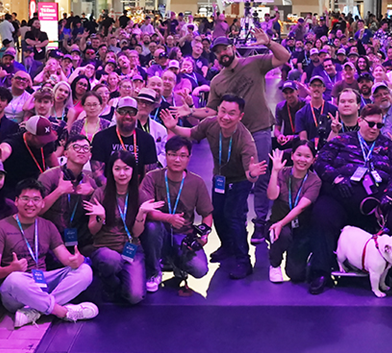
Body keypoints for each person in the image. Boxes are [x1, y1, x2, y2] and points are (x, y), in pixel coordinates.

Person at [180, 30, 289, 245]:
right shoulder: (217, 81)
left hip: (259, 129)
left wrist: (268, 42)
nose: (223, 54)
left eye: (225, 49)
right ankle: (234, 233)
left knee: (259, 177)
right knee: (237, 181)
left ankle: (260, 223)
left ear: (233, 48)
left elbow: (284, 57)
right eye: (218, 52)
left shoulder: (254, 63)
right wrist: (191, 111)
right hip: (232, 136)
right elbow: (212, 111)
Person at [307, 104, 392, 297]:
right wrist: (337, 178)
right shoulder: (341, 140)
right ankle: (321, 271)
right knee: (322, 214)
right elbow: (321, 161)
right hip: (343, 197)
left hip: (379, 201)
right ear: (360, 121)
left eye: (379, 125)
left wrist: (390, 195)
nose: (374, 128)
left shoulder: (387, 145)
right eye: (371, 124)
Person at [161, 95, 265, 279]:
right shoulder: (211, 124)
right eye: (222, 111)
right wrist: (173, 127)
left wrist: (253, 173)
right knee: (217, 213)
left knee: (234, 217)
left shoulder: (245, 140)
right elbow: (191, 133)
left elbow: (251, 175)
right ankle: (227, 246)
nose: (225, 117)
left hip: (240, 180)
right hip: (220, 178)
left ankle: (244, 260)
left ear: (240, 116)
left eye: (231, 113)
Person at [0, 179, 97, 328]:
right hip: (18, 289)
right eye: (25, 199)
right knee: (14, 279)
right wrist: (11, 269)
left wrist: (77, 259)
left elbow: (66, 259)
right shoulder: (0, 228)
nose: (30, 204)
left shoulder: (47, 226)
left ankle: (35, 310)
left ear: (43, 203)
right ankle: (63, 312)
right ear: (16, 201)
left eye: (36, 199)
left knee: (85, 271)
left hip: (43, 282)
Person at [85, 151, 160, 304]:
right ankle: (109, 280)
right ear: (111, 171)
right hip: (105, 248)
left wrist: (141, 213)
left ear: (133, 171)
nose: (122, 173)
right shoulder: (100, 194)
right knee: (111, 260)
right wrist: (100, 217)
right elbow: (92, 230)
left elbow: (136, 233)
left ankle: (121, 278)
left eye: (126, 169)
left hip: (131, 248)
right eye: (117, 169)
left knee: (135, 297)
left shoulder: (140, 195)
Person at [140, 136, 214, 291]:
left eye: (182, 155)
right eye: (172, 154)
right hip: (159, 234)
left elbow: (207, 214)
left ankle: (176, 262)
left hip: (183, 235)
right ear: (166, 155)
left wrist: (204, 236)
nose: (177, 160)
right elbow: (146, 211)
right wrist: (169, 218)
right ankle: (154, 271)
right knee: (152, 226)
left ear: (189, 158)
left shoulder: (196, 182)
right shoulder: (152, 178)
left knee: (200, 269)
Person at [267, 142, 321, 283]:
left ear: (313, 160)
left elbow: (301, 207)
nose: (302, 159)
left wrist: (282, 223)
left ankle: (304, 256)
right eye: (299, 155)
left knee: (296, 274)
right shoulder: (282, 172)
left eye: (307, 156)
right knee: (281, 233)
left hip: (301, 227)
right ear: (292, 156)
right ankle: (274, 264)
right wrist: (274, 171)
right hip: (279, 222)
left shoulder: (315, 181)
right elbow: (272, 195)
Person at [38, 134, 98, 252]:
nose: (81, 151)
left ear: (90, 156)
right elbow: (36, 210)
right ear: (66, 153)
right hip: (50, 239)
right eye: (76, 147)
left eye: (85, 148)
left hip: (80, 239)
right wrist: (59, 191)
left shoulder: (90, 182)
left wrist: (92, 192)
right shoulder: (49, 176)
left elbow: (105, 209)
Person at [90, 97, 159, 178]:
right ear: (115, 113)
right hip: (108, 184)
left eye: (132, 112)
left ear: (137, 114)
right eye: (123, 112)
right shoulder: (101, 138)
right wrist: (109, 186)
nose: (127, 116)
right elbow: (97, 173)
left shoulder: (147, 140)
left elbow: (149, 175)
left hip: (138, 185)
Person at [296, 76, 337, 150]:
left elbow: (336, 134)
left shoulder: (334, 110)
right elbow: (303, 139)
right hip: (310, 151)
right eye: (314, 86)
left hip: (330, 149)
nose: (316, 88)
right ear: (309, 88)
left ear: (324, 89)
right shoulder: (301, 113)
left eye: (319, 86)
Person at [273, 81, 305, 152]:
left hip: (302, 139)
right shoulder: (280, 107)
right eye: (286, 93)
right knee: (270, 142)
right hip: (287, 140)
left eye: (291, 92)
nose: (289, 95)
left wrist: (294, 137)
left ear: (297, 92)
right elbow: (276, 129)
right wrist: (279, 136)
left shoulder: (305, 105)